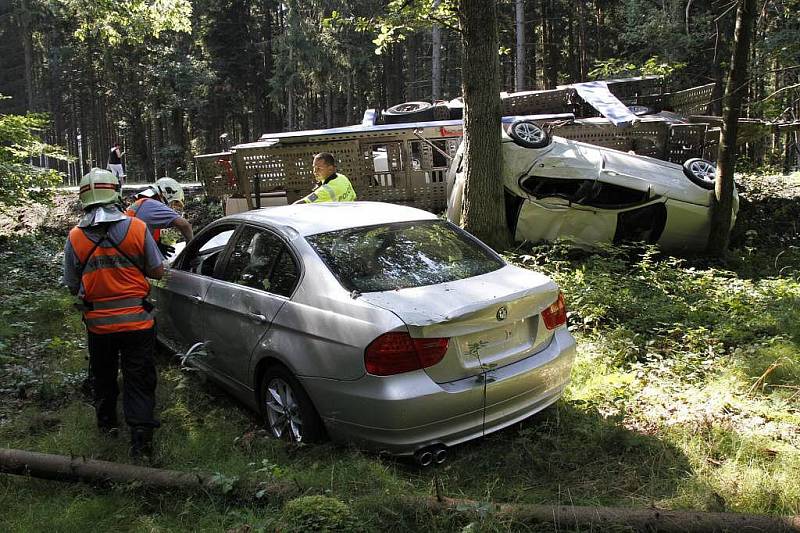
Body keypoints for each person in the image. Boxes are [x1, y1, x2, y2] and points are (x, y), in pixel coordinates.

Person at [62, 168, 165, 459]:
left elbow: (71, 285)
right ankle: (141, 438)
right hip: (138, 322)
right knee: (139, 376)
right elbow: (157, 270)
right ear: (115, 193)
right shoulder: (136, 228)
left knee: (104, 375)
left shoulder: (75, 237)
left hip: (99, 327)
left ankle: (107, 426)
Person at [127, 177, 194, 256]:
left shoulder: (142, 204)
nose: (171, 206)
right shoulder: (152, 204)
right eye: (173, 202)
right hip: (132, 257)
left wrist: (155, 245)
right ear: (166, 194)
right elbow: (184, 225)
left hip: (128, 253)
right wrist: (191, 251)